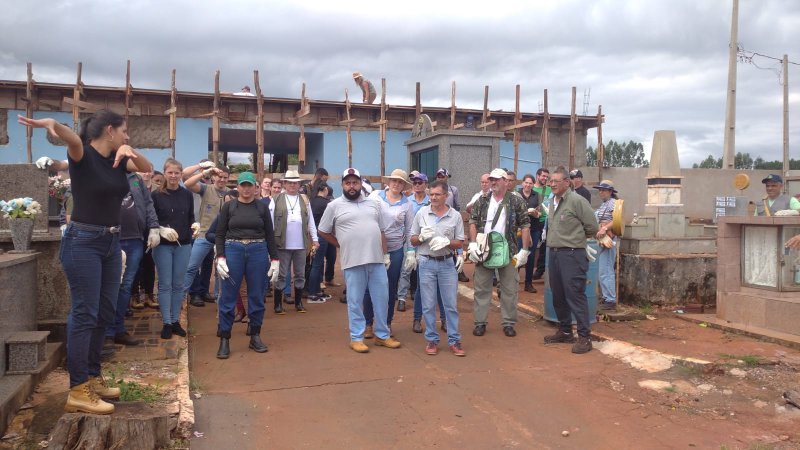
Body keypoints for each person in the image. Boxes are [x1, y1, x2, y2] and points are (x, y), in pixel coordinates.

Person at [20, 110, 153, 414]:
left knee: (105, 311)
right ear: (110, 130)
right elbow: (70, 139)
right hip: (83, 242)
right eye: (124, 132)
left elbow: (147, 167)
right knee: (85, 312)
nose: (127, 136)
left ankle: (93, 376)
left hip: (110, 242)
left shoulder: (118, 161)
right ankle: (78, 388)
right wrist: (54, 125)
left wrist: (129, 151)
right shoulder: (83, 156)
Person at [318, 168, 401, 353]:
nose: (352, 186)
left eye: (355, 182)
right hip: (353, 261)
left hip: (376, 260)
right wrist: (341, 244)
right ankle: (356, 337)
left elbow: (381, 230)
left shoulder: (373, 204)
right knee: (355, 301)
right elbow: (323, 230)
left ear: (360, 183)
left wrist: (385, 254)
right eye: (348, 183)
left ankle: (382, 335)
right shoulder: (334, 206)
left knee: (382, 298)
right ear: (342, 185)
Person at [213, 172, 279, 358]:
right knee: (228, 295)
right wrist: (220, 257)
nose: (246, 189)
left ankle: (255, 335)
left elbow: (269, 234)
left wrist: (274, 259)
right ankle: (225, 338)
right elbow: (219, 233)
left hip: (257, 250)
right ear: (238, 187)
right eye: (243, 185)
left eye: (250, 185)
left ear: (255, 187)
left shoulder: (261, 207)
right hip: (233, 249)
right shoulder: (229, 206)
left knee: (257, 294)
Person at [467, 168, 531, 338]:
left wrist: (524, 250)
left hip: (508, 250)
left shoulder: (516, 201)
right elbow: (472, 221)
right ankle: (480, 322)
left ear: (505, 181)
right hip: (484, 249)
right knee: (481, 287)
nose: (492, 182)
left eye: (496, 180)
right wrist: (473, 244)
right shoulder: (482, 200)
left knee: (509, 288)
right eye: (491, 180)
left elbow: (525, 225)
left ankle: (509, 323)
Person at [543, 167, 599, 354]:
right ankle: (565, 331)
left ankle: (584, 337)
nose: (552, 184)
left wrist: (577, 240)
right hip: (555, 254)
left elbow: (592, 226)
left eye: (556, 181)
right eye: (550, 181)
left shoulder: (577, 201)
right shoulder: (552, 202)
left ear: (567, 182)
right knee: (558, 294)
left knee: (575, 294)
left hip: (572, 255)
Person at [104, 171, 161, 346]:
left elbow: (148, 203)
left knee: (126, 284)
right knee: (110, 285)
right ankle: (106, 331)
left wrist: (153, 227)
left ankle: (119, 329)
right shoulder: (106, 174)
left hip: (135, 239)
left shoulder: (136, 179)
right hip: (112, 238)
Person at [411, 180, 466, 356]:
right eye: (431, 194)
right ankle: (432, 340)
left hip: (447, 263)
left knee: (450, 304)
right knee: (428, 304)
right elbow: (412, 238)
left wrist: (448, 243)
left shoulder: (455, 216)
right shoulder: (422, 213)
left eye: (437, 194)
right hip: (426, 262)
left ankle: (454, 340)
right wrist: (420, 238)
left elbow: (460, 242)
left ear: (446, 196)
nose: (433, 197)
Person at [363, 169, 414, 337]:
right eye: (394, 181)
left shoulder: (407, 204)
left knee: (391, 287)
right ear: (388, 182)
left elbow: (409, 230)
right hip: (374, 248)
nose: (396, 184)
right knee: (370, 286)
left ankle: (386, 323)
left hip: (395, 249)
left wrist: (411, 252)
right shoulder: (375, 197)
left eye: (400, 182)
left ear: (404, 186)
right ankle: (368, 323)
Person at [151, 158, 194, 340]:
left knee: (178, 285)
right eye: (170, 172)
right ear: (164, 174)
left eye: (177, 173)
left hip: (183, 244)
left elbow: (191, 217)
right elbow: (151, 220)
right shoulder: (156, 195)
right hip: (163, 246)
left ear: (181, 174)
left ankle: (176, 320)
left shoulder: (187, 195)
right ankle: (167, 322)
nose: (174, 176)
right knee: (165, 284)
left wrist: (195, 226)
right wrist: (161, 229)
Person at [182, 163, 230, 307]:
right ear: (214, 177)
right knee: (191, 267)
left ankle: (219, 299)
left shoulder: (230, 193)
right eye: (219, 176)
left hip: (223, 238)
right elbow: (187, 183)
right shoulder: (206, 189)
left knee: (220, 272)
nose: (221, 180)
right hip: (203, 235)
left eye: (225, 177)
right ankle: (181, 297)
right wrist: (205, 172)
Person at [271, 170, 319, 314]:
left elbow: (311, 221)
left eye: (295, 183)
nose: (293, 185)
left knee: (300, 274)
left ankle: (298, 303)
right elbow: (270, 222)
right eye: (290, 182)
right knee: (281, 274)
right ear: (284, 184)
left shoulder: (304, 200)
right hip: (282, 243)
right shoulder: (275, 199)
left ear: (299, 184)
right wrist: (270, 244)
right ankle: (278, 304)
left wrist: (315, 240)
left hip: (301, 244)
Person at [593, 180, 619, 310]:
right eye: (600, 190)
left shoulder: (613, 203)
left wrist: (605, 228)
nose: (601, 192)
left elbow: (617, 219)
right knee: (601, 269)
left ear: (610, 191)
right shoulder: (604, 205)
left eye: (603, 190)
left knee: (606, 269)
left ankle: (610, 299)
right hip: (601, 238)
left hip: (609, 238)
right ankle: (606, 296)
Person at [307, 183, 333, 301]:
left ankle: (316, 290)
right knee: (317, 264)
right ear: (325, 189)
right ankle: (313, 291)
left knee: (315, 263)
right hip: (322, 234)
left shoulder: (311, 201)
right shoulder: (327, 204)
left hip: (312, 234)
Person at [518, 174, 541, 293]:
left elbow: (540, 212)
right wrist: (525, 212)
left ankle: (528, 283)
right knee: (517, 255)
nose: (528, 185)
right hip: (519, 230)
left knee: (531, 256)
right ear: (522, 183)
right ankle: (512, 281)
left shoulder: (536, 195)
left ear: (533, 184)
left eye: (530, 183)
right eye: (526, 182)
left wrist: (535, 213)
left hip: (534, 228)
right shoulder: (517, 195)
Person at [531, 168, 551, 280]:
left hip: (545, 222)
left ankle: (540, 270)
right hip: (533, 221)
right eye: (543, 176)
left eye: (546, 177)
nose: (545, 178)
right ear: (537, 176)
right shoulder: (530, 188)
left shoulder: (549, 190)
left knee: (544, 247)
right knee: (530, 246)